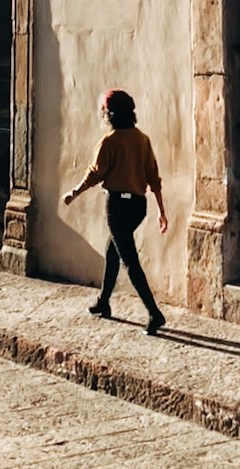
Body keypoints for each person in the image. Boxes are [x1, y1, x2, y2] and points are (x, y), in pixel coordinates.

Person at [63, 88, 168, 334]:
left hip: (117, 206)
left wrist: (74, 192)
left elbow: (95, 173)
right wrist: (162, 211)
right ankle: (103, 302)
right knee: (113, 251)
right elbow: (154, 177)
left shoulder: (110, 141)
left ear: (109, 115)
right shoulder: (142, 139)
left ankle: (154, 313)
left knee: (129, 260)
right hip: (138, 206)